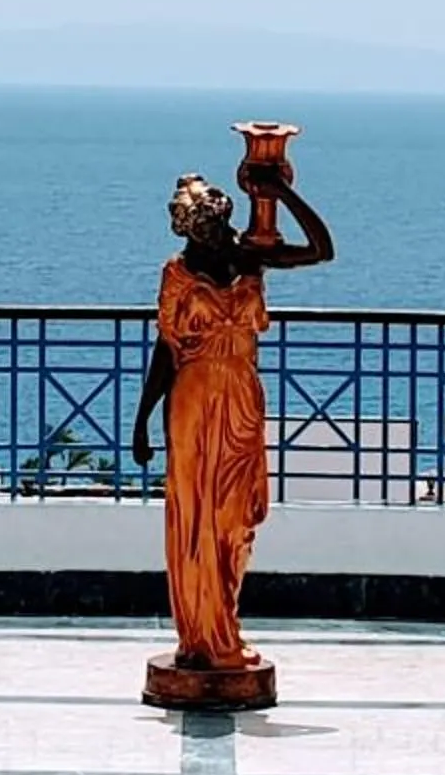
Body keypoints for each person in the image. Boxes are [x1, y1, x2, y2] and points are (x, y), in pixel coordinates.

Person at [131, 155, 334, 669]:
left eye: (225, 224)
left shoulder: (249, 258)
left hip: (241, 397)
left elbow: (321, 250)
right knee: (197, 515)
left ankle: (225, 626)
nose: (226, 233)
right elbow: (166, 350)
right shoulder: (176, 276)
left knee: (236, 517)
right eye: (215, 228)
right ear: (195, 233)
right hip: (194, 403)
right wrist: (141, 420)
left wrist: (280, 194)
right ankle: (200, 637)